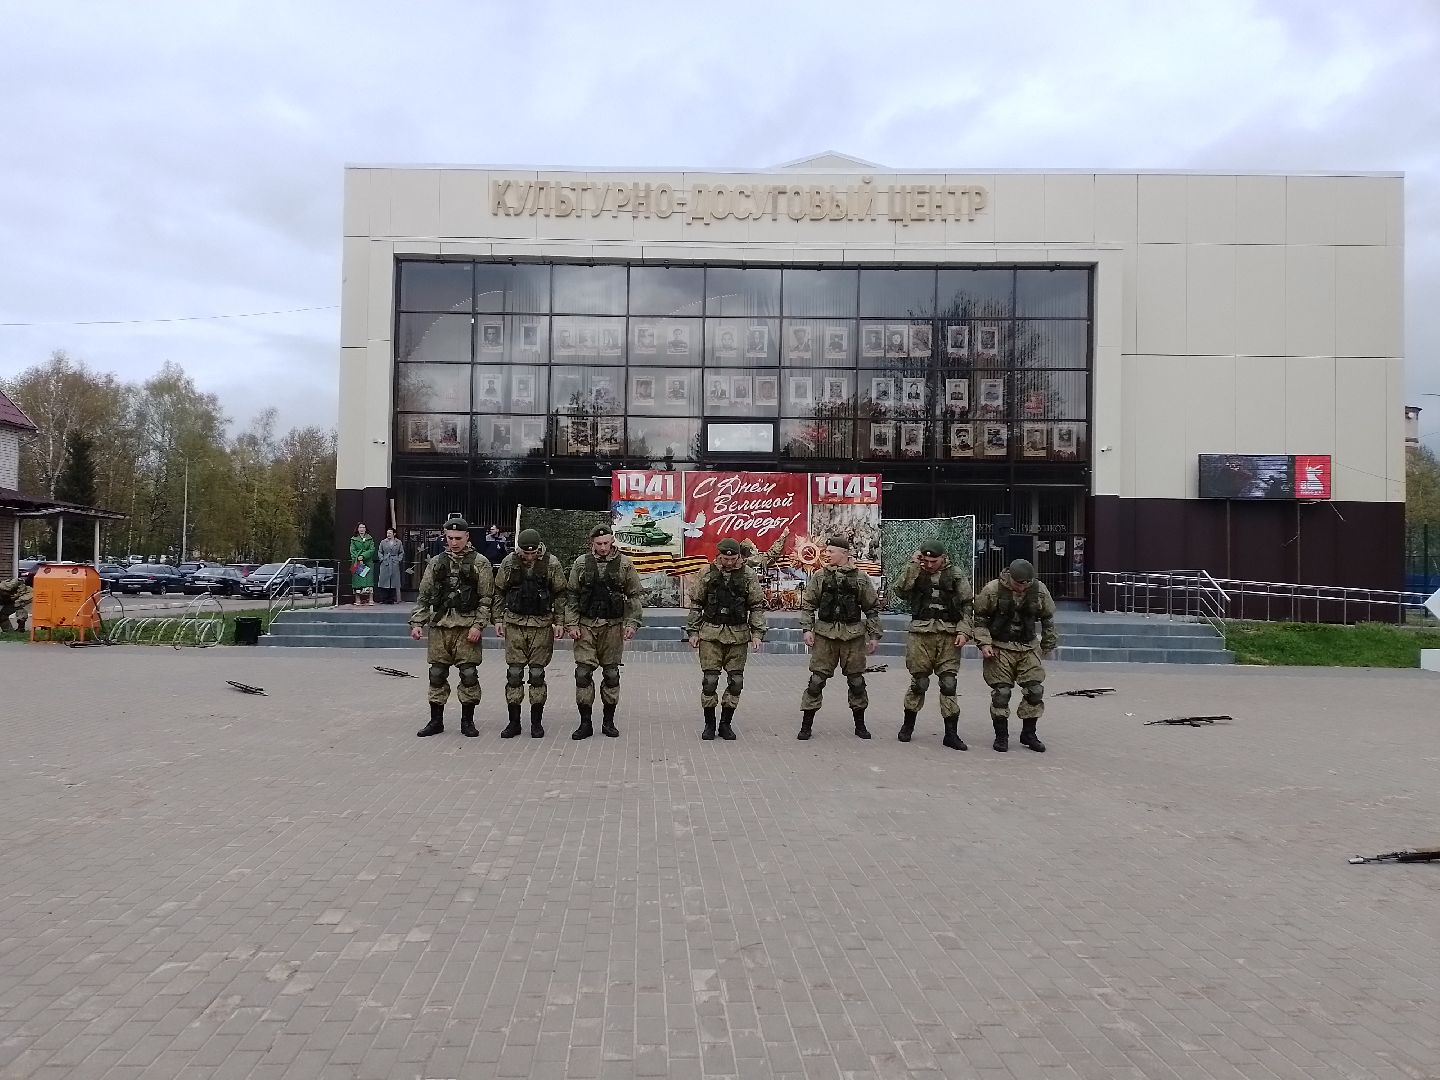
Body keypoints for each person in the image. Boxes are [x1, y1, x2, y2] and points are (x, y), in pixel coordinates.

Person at [409, 516, 494, 739]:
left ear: (467, 537)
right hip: (440, 627)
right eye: (450, 538)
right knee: (436, 673)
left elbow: (486, 599)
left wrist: (478, 625)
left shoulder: (480, 563)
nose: (454, 542)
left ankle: (467, 721)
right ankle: (436, 721)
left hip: (466, 628)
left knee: (468, 674)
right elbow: (424, 595)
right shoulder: (437, 562)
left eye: (458, 538)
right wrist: (418, 623)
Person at [563, 525, 644, 740]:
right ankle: (585, 723)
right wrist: (571, 624)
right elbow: (571, 595)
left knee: (611, 674)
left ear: (612, 541)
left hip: (612, 626)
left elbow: (634, 595)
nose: (603, 547)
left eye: (606, 543)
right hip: (586, 626)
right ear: (592, 543)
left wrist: (632, 623)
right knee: (582, 674)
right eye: (598, 544)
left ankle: (608, 722)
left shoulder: (624, 564)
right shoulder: (581, 563)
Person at [970, 559, 1058, 753]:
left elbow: (1048, 618)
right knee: (1002, 693)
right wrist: (984, 643)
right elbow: (980, 619)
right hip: (1000, 647)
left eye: (1026, 583)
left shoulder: (1039, 590)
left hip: (1027, 646)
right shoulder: (993, 589)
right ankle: (1001, 736)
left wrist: (1048, 643)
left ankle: (1029, 733)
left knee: (1035, 690)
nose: (1022, 588)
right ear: (1010, 577)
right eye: (1019, 583)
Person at [798, 537, 882, 740]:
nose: (826, 555)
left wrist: (874, 636)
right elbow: (809, 604)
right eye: (826, 551)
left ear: (844, 554)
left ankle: (860, 725)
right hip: (825, 636)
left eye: (831, 551)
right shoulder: (820, 576)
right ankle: (806, 725)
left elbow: (871, 609)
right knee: (816, 681)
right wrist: (807, 629)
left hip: (852, 637)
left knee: (856, 682)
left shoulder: (860, 578)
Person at [892, 542, 974, 750]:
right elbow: (900, 591)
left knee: (948, 683)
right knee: (919, 682)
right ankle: (907, 726)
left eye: (933, 561)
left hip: (948, 634)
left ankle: (951, 734)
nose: (929, 565)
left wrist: (964, 631)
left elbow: (967, 605)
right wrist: (912, 565)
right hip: (921, 633)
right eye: (925, 560)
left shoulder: (955, 574)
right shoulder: (915, 571)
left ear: (943, 558)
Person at [686, 538, 766, 742]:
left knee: (736, 681)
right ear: (719, 555)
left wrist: (757, 633)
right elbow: (696, 604)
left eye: (733, 558)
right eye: (725, 558)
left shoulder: (748, 575)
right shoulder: (707, 573)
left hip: (738, 635)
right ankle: (709, 724)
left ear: (739, 556)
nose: (729, 562)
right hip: (711, 634)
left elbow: (756, 606)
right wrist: (693, 632)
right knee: (710, 681)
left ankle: (726, 724)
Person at [493, 528, 567, 739]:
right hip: (515, 624)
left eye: (532, 553)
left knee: (536, 674)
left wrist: (560, 621)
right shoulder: (509, 562)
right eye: (525, 553)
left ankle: (536, 722)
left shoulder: (551, 563)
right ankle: (514, 722)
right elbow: (499, 591)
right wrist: (498, 619)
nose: (528, 557)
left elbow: (561, 594)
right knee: (514, 674)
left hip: (541, 625)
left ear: (539, 548)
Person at [349, 523, 377, 605]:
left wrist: (363, 556)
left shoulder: (370, 538)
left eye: (363, 527)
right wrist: (358, 557)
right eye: (360, 527)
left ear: (366, 529)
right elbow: (352, 550)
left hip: (368, 562)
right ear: (357, 529)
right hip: (357, 562)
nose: (362, 529)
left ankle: (371, 599)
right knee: (357, 581)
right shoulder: (353, 539)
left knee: (369, 581)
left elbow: (372, 550)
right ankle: (357, 599)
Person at [377, 528, 405, 604]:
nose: (388, 534)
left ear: (394, 534)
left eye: (390, 533)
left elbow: (401, 552)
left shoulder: (398, 542)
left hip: (394, 562)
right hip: (385, 562)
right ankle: (384, 598)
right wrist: (382, 559)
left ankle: (392, 599)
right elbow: (380, 551)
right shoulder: (383, 542)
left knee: (394, 580)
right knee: (384, 580)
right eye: (387, 533)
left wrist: (398, 559)